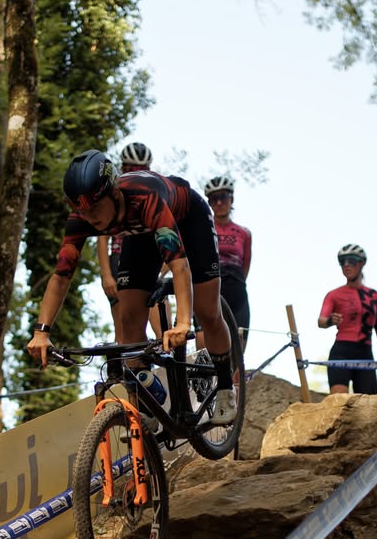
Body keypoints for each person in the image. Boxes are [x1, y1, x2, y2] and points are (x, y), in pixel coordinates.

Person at [27, 149, 237, 424]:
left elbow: (179, 265)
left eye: (94, 208)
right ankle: (151, 403)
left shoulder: (144, 198)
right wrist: (41, 332)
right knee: (128, 322)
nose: (89, 217)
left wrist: (183, 322)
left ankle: (225, 387)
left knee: (207, 311)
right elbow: (61, 275)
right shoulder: (82, 217)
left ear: (114, 193)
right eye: (82, 210)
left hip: (188, 220)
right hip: (140, 232)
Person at [97, 142, 170, 340]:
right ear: (122, 168)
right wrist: (106, 276)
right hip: (119, 260)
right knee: (123, 333)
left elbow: (168, 232)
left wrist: (165, 266)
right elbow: (102, 239)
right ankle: (133, 360)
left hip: (149, 258)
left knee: (163, 329)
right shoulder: (113, 194)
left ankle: (168, 356)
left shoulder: (152, 193)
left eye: (142, 168)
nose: (135, 173)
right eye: (130, 168)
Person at [317, 244, 377, 395]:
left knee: (368, 404)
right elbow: (321, 321)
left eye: (351, 261)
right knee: (339, 402)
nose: (346, 265)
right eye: (342, 262)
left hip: (365, 354)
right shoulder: (334, 295)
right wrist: (329, 321)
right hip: (341, 352)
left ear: (362, 263)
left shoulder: (375, 296)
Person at [202, 175, 251, 351]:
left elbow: (245, 265)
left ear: (231, 199)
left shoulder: (244, 233)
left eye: (223, 197)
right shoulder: (203, 228)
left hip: (237, 290)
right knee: (205, 349)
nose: (219, 203)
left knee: (239, 349)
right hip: (210, 288)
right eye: (213, 199)